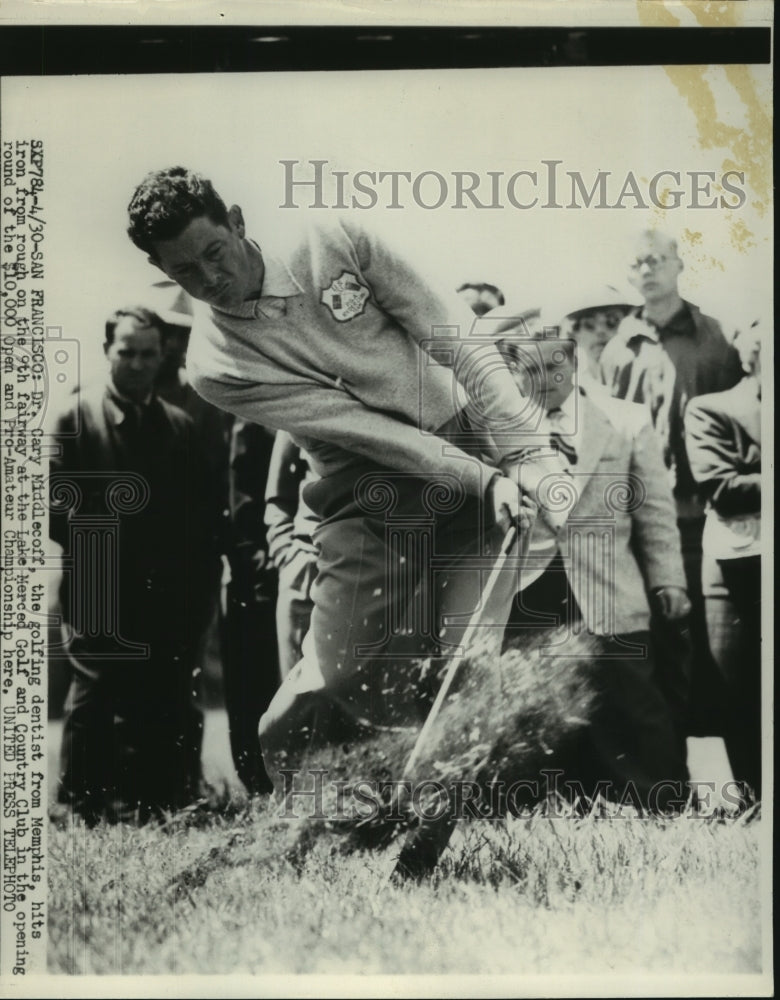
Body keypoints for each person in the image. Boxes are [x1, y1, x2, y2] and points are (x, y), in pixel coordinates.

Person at [127, 167, 559, 873]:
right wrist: (484, 479)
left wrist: (523, 453)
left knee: (463, 671)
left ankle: (419, 852)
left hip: (469, 447)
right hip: (362, 488)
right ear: (158, 269)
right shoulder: (212, 366)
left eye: (215, 253)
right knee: (338, 678)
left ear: (237, 219)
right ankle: (310, 824)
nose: (210, 279)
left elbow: (450, 336)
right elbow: (364, 431)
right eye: (184, 271)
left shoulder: (332, 238)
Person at [498, 331, 691, 807]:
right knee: (537, 705)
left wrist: (669, 579)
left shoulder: (624, 420)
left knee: (631, 697)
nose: (543, 379)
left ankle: (658, 805)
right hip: (530, 586)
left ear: (574, 363)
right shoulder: (499, 429)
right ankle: (542, 807)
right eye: (530, 369)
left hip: (607, 584)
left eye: (553, 367)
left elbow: (656, 514)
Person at [49, 306, 212, 824]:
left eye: (148, 353)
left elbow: (196, 516)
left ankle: (158, 802)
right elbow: (52, 507)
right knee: (96, 690)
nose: (138, 364)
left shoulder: (181, 426)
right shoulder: (74, 419)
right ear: (107, 352)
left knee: (163, 691)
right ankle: (81, 805)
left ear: (163, 355)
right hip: (98, 583)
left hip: (163, 588)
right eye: (127, 352)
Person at [599, 230, 743, 738]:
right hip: (640, 523)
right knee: (655, 647)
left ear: (680, 264)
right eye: (637, 262)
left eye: (657, 260)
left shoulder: (716, 338)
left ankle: (734, 782)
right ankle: (667, 773)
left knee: (715, 647)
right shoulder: (618, 349)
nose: (647, 270)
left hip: (706, 516)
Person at [684, 323, 763, 798]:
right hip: (740, 569)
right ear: (748, 354)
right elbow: (721, 488)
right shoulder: (711, 408)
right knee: (741, 692)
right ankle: (755, 800)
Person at [264, 431, 320, 680]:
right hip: (306, 565)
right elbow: (277, 498)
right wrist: (286, 556)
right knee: (298, 689)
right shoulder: (298, 401)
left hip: (373, 566)